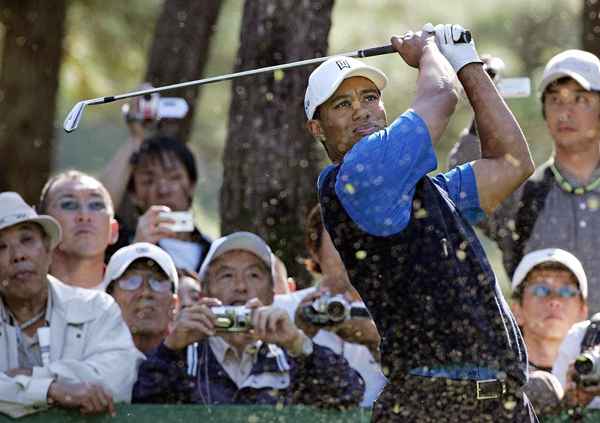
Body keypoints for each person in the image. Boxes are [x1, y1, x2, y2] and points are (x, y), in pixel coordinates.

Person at [305, 24, 537, 421]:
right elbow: (441, 96)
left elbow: (513, 162)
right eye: (341, 104)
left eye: (370, 97)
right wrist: (431, 51)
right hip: (433, 404)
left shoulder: (427, 191)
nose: (361, 108)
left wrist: (469, 64)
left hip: (499, 403)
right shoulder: (357, 176)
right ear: (317, 128)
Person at [132, 231, 364, 408]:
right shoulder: (184, 357)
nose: (241, 287)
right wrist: (171, 348)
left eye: (253, 275)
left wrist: (298, 343)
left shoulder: (288, 355)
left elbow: (350, 393)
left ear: (273, 293)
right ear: (204, 292)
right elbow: (142, 406)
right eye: (227, 276)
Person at [448, 49, 600, 313]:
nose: (565, 111)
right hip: (541, 351)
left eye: (581, 99)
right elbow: (461, 193)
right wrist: (482, 93)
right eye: (555, 99)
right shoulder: (524, 195)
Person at [0, 192, 143, 417]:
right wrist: (51, 390)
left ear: (48, 250)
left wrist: (34, 377)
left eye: (27, 240)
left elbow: (118, 378)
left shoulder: (97, 308)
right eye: (1, 247)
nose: (18, 255)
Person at [274, 203, 386, 407]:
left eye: (365, 235)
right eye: (340, 238)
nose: (354, 249)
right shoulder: (281, 311)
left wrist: (375, 341)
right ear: (314, 248)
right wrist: (298, 338)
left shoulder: (403, 316)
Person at [102, 135, 211, 273]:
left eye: (174, 177)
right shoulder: (120, 245)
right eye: (148, 181)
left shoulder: (214, 252)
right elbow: (100, 206)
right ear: (134, 195)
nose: (163, 190)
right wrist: (138, 249)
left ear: (192, 184)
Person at [510, 248, 588, 415]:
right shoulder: (497, 380)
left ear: (583, 312)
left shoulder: (595, 386)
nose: (554, 300)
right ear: (516, 311)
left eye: (567, 292)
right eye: (540, 290)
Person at [37, 170, 119, 289]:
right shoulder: (18, 300)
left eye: (96, 205)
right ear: (44, 231)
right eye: (68, 204)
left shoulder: (131, 303)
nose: (84, 216)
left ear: (113, 230)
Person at [102, 242, 179, 355]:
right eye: (131, 281)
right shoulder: (87, 356)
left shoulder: (192, 363)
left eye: (157, 282)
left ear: (174, 304)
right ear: (109, 299)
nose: (145, 292)